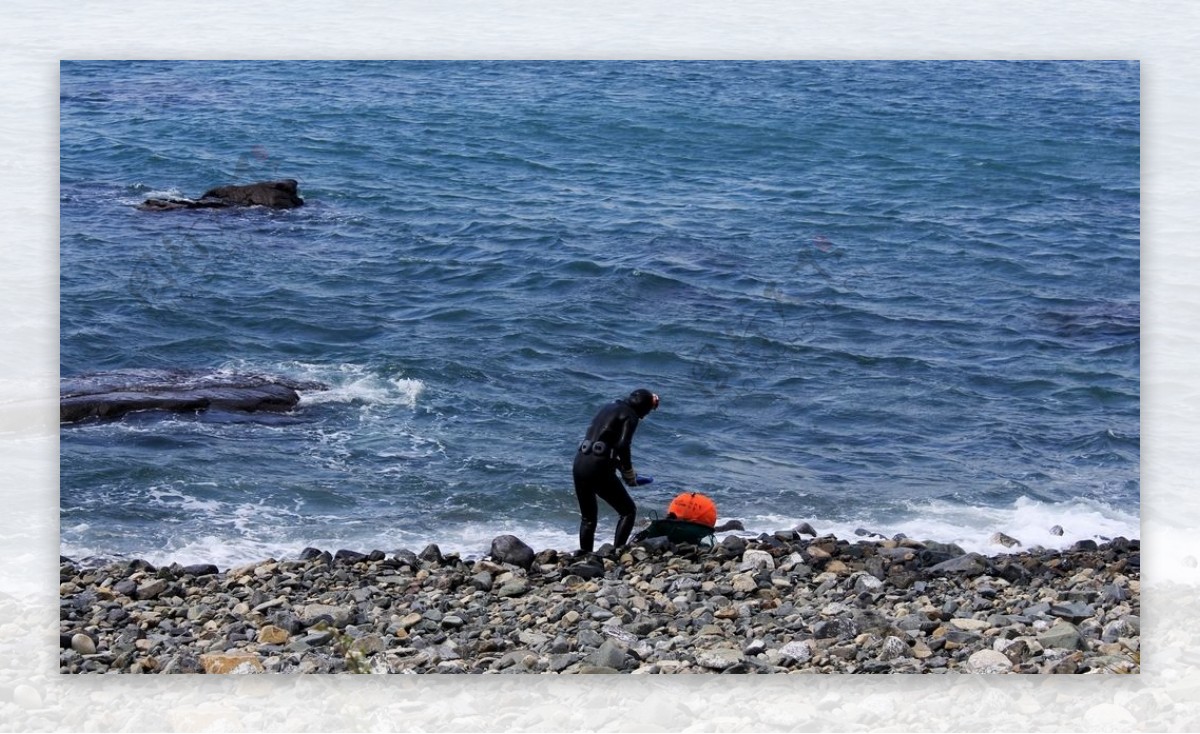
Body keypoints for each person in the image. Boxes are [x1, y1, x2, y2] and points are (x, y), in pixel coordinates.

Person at [572, 388, 659, 553]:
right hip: (598, 467)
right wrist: (629, 473)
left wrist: (619, 467)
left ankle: (584, 557)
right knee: (628, 511)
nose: (646, 415)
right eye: (647, 410)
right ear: (642, 407)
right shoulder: (630, 415)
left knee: (588, 518)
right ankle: (617, 552)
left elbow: (603, 445)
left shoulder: (609, 407)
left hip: (581, 463)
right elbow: (622, 445)